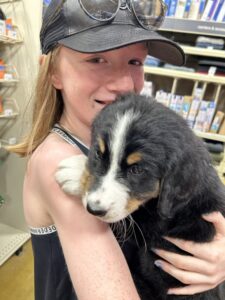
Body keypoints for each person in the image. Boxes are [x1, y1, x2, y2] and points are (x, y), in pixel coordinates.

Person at [9, 0, 225, 299]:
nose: (124, 84)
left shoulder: (127, 140)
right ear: (52, 72)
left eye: (135, 62)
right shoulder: (57, 160)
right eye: (97, 59)